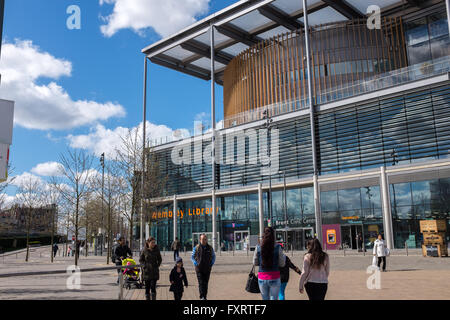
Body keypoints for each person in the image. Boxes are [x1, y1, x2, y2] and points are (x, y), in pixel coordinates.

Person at [253, 227, 286, 300]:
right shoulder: (278, 247)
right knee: (274, 298)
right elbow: (282, 264)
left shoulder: (258, 247)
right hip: (275, 276)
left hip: (262, 277)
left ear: (264, 235)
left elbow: (255, 262)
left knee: (265, 298)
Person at [191, 233, 216, 300]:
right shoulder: (196, 248)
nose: (204, 240)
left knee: (206, 283)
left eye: (205, 239)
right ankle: (202, 297)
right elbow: (192, 257)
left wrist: (212, 263)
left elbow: (213, 256)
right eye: (202, 239)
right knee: (201, 283)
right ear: (200, 239)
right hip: (199, 269)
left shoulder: (210, 248)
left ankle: (205, 296)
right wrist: (195, 263)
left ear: (207, 240)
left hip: (207, 268)